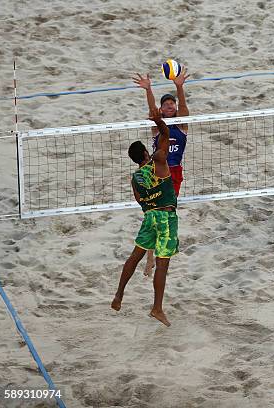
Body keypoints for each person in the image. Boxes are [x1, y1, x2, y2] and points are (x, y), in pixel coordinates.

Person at [111, 110, 179, 327]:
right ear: (146, 153)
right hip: (166, 217)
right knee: (162, 265)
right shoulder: (158, 160)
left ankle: (119, 294)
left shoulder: (135, 178)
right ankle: (157, 308)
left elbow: (141, 202)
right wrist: (158, 120)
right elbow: (166, 134)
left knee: (134, 257)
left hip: (149, 217)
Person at [133, 67, 190, 277]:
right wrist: (148, 90)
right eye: (166, 104)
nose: (170, 106)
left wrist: (179, 87)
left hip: (174, 174)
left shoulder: (182, 125)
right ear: (162, 109)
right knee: (154, 214)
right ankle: (150, 258)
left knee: (165, 213)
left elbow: (183, 106)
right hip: (156, 173)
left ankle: (156, 255)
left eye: (172, 104)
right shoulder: (157, 127)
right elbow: (152, 111)